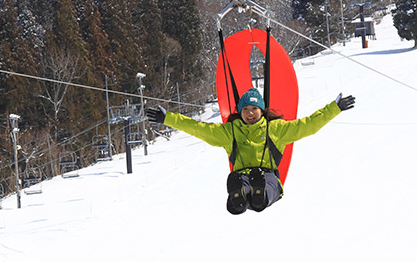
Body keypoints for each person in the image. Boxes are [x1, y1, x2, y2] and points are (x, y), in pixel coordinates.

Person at [146, 87, 355, 214]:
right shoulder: (230, 132)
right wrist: (168, 119)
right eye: (245, 109)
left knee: (261, 180)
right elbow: (199, 128)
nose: (249, 113)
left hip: (269, 179)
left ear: (261, 110)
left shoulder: (276, 129)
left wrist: (334, 108)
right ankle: (239, 197)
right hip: (243, 177)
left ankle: (258, 195)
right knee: (240, 180)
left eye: (254, 109)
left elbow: (308, 125)